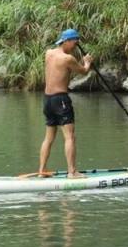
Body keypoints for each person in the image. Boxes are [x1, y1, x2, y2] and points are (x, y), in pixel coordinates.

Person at [38, 28, 93, 178]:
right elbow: (83, 71)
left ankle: (42, 171)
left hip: (47, 99)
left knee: (49, 137)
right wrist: (87, 62)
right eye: (74, 43)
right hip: (60, 99)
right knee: (70, 136)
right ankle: (72, 172)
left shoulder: (48, 53)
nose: (75, 46)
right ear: (66, 41)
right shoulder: (67, 59)